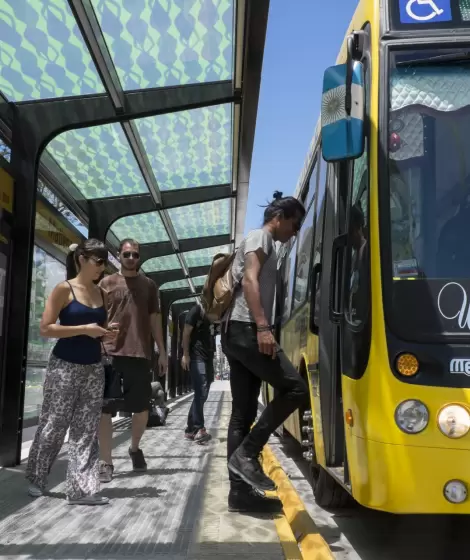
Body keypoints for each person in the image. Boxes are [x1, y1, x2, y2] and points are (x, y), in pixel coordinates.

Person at [222, 191, 309, 514]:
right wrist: (263, 327)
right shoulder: (261, 236)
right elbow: (249, 280)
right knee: (296, 388)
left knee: (242, 415)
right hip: (246, 330)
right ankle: (248, 453)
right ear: (280, 218)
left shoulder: (264, 240)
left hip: (236, 333)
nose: (296, 232)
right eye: (295, 224)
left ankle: (239, 494)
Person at [26, 240, 111, 505]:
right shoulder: (64, 289)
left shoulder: (102, 293)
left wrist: (108, 331)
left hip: (93, 368)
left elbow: (99, 330)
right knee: (54, 425)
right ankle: (37, 477)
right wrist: (84, 328)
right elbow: (46, 328)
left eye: (104, 263)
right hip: (64, 366)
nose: (101, 268)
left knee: (86, 430)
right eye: (97, 261)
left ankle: (81, 489)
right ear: (81, 259)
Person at [98, 238, 167, 482]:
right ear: (119, 255)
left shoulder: (149, 285)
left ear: (139, 258)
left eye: (135, 255)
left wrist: (163, 351)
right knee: (104, 410)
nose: (130, 259)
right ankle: (106, 462)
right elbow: (98, 318)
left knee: (142, 409)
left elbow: (155, 320)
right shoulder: (106, 283)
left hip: (140, 353)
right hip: (109, 353)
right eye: (126, 254)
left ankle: (134, 448)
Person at [182, 304, 216, 444]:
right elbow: (185, 333)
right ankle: (199, 428)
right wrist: (185, 355)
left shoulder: (219, 311)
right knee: (200, 391)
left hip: (208, 358)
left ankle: (190, 429)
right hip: (196, 357)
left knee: (203, 393)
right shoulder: (197, 310)